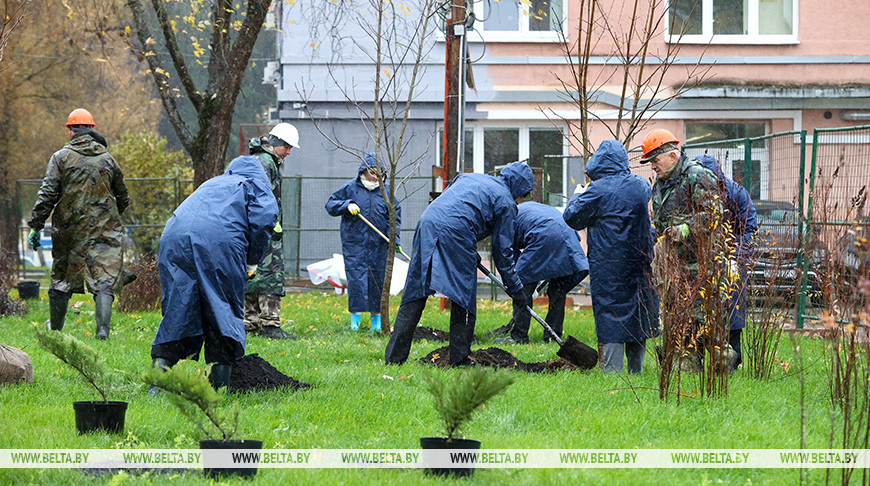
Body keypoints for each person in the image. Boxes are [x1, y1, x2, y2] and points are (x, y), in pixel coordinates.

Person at [385, 162, 534, 366]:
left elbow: (457, 206)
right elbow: (502, 252)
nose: (520, 200)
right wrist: (517, 290)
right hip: (456, 231)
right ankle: (459, 358)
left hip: (428, 222)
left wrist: (467, 250)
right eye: (522, 195)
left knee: (415, 291)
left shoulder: (469, 178)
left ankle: (394, 358)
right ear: (518, 189)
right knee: (463, 296)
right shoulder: (506, 202)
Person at [150, 156, 278, 390]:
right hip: (217, 242)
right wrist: (252, 261)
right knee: (223, 309)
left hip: (173, 239)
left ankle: (156, 387)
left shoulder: (213, 183)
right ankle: (218, 390)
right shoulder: (255, 184)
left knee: (178, 308)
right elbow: (265, 220)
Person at [28, 108, 130, 340]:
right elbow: (123, 197)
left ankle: (55, 331)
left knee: (62, 275)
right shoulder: (108, 159)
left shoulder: (60, 158)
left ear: (70, 130)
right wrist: (109, 218)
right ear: (92, 129)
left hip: (69, 230)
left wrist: (36, 225)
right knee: (104, 278)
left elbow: (47, 194)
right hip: (105, 229)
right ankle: (102, 331)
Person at [563, 140, 659, 373]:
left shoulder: (597, 190)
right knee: (639, 314)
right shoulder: (639, 186)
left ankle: (612, 372)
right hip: (639, 263)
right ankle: (636, 370)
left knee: (611, 315)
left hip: (609, 266)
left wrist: (578, 195)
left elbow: (571, 217)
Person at [641, 129, 727, 372]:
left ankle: (724, 366)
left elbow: (714, 214)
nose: (653, 167)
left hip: (701, 264)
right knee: (679, 320)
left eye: (655, 161)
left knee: (706, 323)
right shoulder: (662, 182)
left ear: (672, 155)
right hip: (674, 265)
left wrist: (686, 229)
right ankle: (686, 369)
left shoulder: (698, 176)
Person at [695, 154, 758, 371]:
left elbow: (749, 228)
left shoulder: (736, 193)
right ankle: (696, 359)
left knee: (732, 310)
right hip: (698, 262)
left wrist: (734, 257)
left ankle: (732, 361)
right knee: (698, 310)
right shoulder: (691, 191)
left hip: (730, 260)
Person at [494, 201, 589, 344]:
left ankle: (518, 337)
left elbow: (509, 256)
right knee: (558, 289)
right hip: (568, 235)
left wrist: (518, 284)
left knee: (522, 285)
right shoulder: (526, 208)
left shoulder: (506, 220)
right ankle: (553, 335)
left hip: (544, 234)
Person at [325, 153, 401, 332]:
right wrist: (346, 205)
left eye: (379, 172)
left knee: (377, 280)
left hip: (379, 245)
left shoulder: (386, 192)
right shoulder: (350, 188)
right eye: (372, 172)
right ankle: (355, 324)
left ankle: (376, 323)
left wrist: (395, 239)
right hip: (355, 244)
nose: (375, 176)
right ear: (364, 171)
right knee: (357, 280)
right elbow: (330, 204)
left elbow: (395, 217)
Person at [244, 123, 300, 340]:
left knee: (252, 272)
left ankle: (250, 322)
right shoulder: (266, 162)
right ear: (276, 143)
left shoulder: (259, 160)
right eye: (286, 147)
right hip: (265, 228)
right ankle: (270, 324)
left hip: (255, 227)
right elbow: (261, 197)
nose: (288, 152)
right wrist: (270, 222)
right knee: (271, 273)